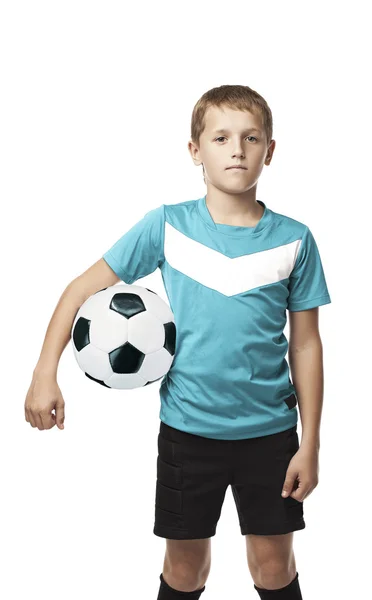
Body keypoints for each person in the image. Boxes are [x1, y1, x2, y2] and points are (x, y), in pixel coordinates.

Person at [25, 84, 331, 599]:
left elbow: (306, 345)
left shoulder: (295, 239)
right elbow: (79, 289)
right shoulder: (167, 226)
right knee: (186, 569)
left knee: (273, 567)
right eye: (221, 137)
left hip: (270, 435)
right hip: (189, 432)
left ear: (270, 151)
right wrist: (43, 374)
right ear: (196, 151)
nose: (237, 149)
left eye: (251, 137)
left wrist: (311, 442)